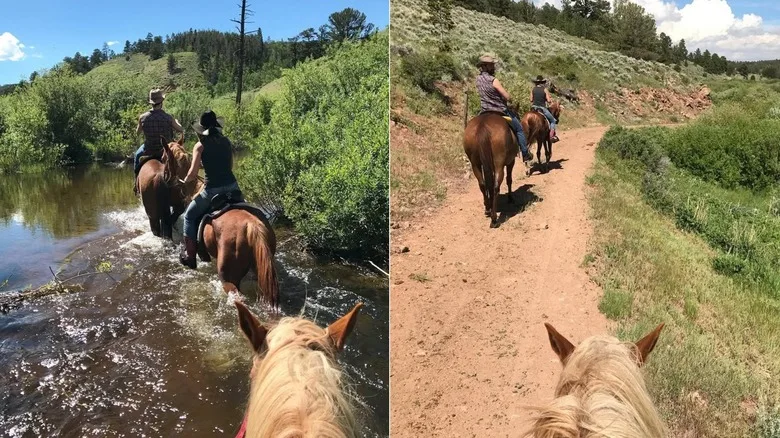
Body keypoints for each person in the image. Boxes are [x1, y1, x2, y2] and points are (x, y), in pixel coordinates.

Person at [179, 110, 241, 269]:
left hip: (212, 190)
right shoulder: (226, 141)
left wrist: (185, 180)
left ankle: (190, 256)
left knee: (189, 216)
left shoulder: (200, 146)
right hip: (233, 187)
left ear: (201, 129)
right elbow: (229, 166)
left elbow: (193, 174)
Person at [475, 55, 533, 162]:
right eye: (491, 65)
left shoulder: (477, 79)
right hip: (500, 110)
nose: (494, 67)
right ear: (485, 66)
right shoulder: (493, 80)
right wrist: (509, 98)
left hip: (484, 110)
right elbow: (506, 96)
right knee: (519, 129)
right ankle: (525, 153)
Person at [133, 88, 184, 195]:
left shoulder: (142, 117)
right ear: (162, 102)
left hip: (149, 149)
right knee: (181, 160)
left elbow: (137, 132)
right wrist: (177, 122)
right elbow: (181, 129)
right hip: (166, 151)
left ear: (151, 103)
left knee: (137, 156)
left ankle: (136, 184)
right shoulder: (168, 117)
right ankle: (185, 184)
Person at [530, 75, 559, 143]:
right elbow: (549, 101)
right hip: (542, 108)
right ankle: (551, 136)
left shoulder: (533, 89)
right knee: (553, 121)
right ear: (542, 82)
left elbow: (531, 99)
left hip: (533, 108)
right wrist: (548, 99)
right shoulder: (544, 90)